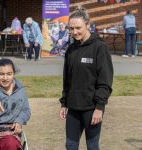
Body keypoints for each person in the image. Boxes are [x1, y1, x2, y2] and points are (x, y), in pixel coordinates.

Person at [59, 6, 113, 150]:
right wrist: (64, 103)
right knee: (70, 145)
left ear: (88, 25)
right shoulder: (71, 50)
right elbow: (67, 79)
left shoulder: (100, 47)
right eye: (71, 28)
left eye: (78, 28)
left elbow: (105, 81)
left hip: (91, 108)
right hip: (73, 108)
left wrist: (99, 107)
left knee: (92, 146)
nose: (74, 32)